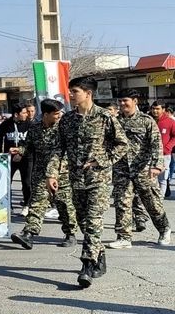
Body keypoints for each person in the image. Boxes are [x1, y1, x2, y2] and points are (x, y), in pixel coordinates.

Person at [46, 76, 129, 288]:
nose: (71, 95)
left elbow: (122, 144)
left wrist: (100, 160)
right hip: (75, 180)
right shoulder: (67, 120)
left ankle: (87, 265)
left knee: (93, 221)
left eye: (74, 91)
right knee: (84, 222)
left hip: (98, 180)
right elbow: (58, 149)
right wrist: (52, 174)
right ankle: (98, 255)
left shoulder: (105, 117)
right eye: (71, 91)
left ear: (88, 93)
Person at [107, 90, 171, 249]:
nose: (122, 104)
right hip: (122, 169)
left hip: (143, 169)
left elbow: (156, 144)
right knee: (122, 202)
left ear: (135, 101)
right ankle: (123, 237)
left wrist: (156, 165)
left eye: (125, 101)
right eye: (120, 101)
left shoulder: (147, 121)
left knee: (152, 203)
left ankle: (164, 229)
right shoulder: (114, 122)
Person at [10, 99, 77, 249]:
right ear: (46, 114)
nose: (59, 116)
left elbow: (68, 151)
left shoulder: (64, 129)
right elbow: (28, 146)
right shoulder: (35, 129)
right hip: (40, 172)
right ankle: (28, 234)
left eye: (60, 113)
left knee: (64, 204)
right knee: (37, 203)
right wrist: (19, 151)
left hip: (62, 173)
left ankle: (70, 234)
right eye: (56, 114)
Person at [0, 103, 32, 215]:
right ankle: (8, 205)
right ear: (16, 114)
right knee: (7, 182)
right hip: (9, 158)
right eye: (24, 112)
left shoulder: (30, 124)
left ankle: (27, 205)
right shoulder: (6, 124)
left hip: (26, 157)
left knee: (27, 183)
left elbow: (32, 142)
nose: (27, 114)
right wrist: (1, 154)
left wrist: (21, 151)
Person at [150, 100, 175, 198]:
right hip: (149, 154)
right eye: (153, 108)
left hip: (164, 155)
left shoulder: (170, 122)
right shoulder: (148, 120)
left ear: (163, 109)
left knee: (163, 178)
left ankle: (160, 197)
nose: (155, 111)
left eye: (157, 109)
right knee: (150, 177)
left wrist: (167, 147)